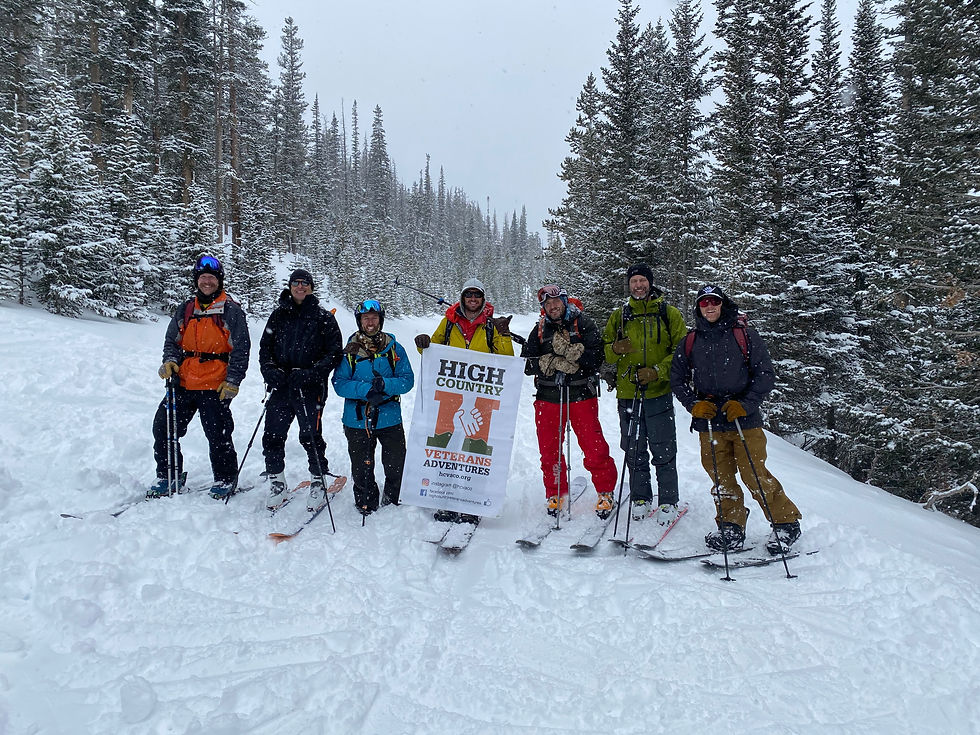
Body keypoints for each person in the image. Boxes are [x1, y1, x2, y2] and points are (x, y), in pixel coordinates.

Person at [669, 284, 802, 554]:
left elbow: (765, 374)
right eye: (704, 303)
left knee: (754, 474)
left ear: (722, 304)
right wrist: (693, 405)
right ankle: (731, 525)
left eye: (714, 302)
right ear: (699, 307)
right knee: (721, 478)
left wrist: (745, 404)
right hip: (710, 421)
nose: (709, 307)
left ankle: (785, 523)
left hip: (744, 419)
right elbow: (677, 379)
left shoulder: (744, 336)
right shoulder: (691, 340)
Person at [150, 254, 250, 500]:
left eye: (211, 278)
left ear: (219, 281)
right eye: (203, 278)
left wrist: (233, 380)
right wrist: (170, 361)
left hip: (216, 384)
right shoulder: (186, 308)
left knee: (218, 434)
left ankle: (226, 477)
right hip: (182, 382)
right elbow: (171, 341)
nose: (207, 282)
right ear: (197, 280)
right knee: (163, 428)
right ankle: (168, 474)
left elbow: (241, 349)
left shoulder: (230, 310)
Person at [415, 277, 514, 523]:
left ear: (482, 298)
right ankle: (446, 499)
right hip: (451, 395)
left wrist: (503, 335)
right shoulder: (448, 323)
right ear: (462, 297)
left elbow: (507, 359)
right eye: (468, 295)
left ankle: (472, 501)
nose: (472, 299)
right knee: (446, 447)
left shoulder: (492, 325)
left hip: (482, 396)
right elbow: (432, 350)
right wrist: (423, 344)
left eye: (477, 295)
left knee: (475, 447)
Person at [602, 263, 688, 524]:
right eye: (634, 281)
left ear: (649, 283)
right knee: (633, 448)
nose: (638, 285)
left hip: (658, 392)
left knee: (663, 449)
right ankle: (641, 496)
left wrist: (658, 371)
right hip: (628, 392)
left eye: (642, 281)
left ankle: (668, 500)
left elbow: (682, 352)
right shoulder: (620, 315)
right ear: (629, 285)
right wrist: (615, 349)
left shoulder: (668, 313)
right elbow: (604, 353)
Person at [523, 284, 618, 518]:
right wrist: (549, 362)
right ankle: (555, 491)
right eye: (548, 304)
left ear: (565, 302)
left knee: (593, 445)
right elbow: (527, 363)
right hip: (547, 397)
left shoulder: (583, 323)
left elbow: (597, 358)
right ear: (543, 307)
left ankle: (605, 490)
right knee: (549, 449)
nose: (553, 307)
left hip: (580, 395)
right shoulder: (540, 328)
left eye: (557, 302)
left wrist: (573, 353)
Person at [259, 268, 343, 511]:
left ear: (311, 287)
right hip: (282, 386)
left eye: (305, 283)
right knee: (273, 435)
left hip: (309, 387)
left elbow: (334, 353)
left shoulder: (323, 317)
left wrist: (311, 373)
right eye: (296, 283)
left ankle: (318, 480)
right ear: (290, 286)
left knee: (311, 436)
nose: (300, 287)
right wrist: (270, 371)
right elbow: (265, 349)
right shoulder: (278, 316)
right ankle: (277, 481)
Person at [332, 299, 415, 515]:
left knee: (396, 463)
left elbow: (407, 380)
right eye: (366, 318)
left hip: (389, 416)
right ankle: (366, 501)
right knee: (361, 466)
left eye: (374, 318)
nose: (370, 322)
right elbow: (339, 383)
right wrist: (365, 390)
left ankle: (394, 498)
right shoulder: (350, 350)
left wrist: (385, 384)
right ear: (359, 321)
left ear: (381, 320)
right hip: (357, 418)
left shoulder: (394, 348)